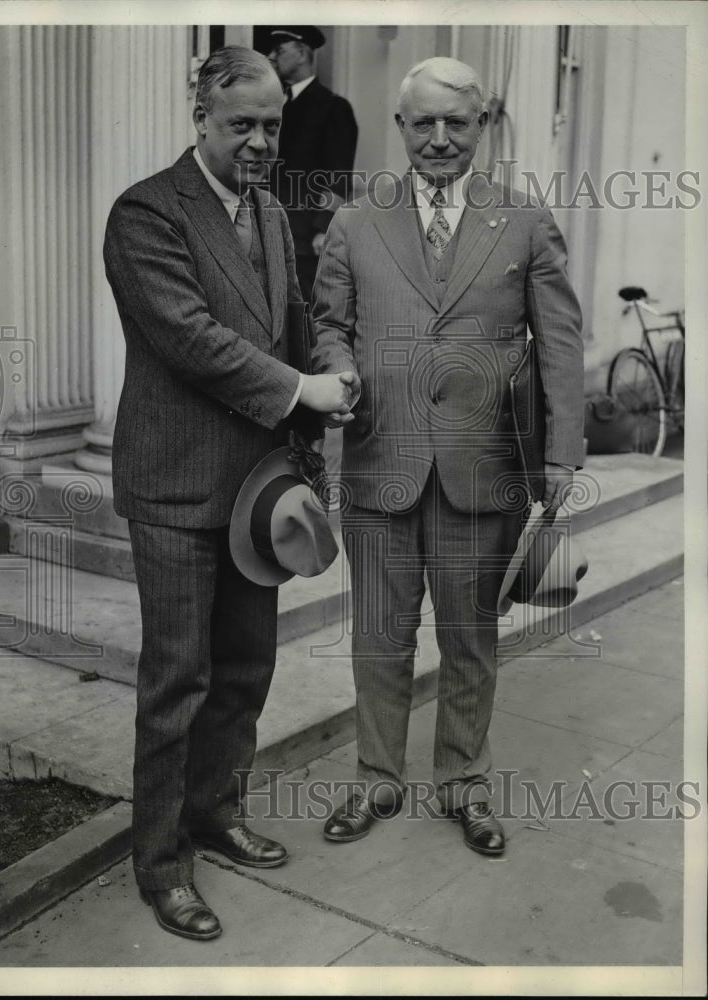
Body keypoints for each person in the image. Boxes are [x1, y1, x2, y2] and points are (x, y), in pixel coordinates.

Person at [103, 46, 357, 941]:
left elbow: (290, 328)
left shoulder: (272, 210)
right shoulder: (144, 212)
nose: (258, 141)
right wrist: (300, 392)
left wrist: (332, 366)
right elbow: (191, 338)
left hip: (258, 490)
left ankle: (215, 810)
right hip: (175, 487)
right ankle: (162, 863)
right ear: (200, 119)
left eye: (270, 126)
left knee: (246, 671)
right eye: (240, 124)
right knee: (179, 681)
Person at [312, 57, 584, 857]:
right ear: (399, 127)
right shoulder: (355, 221)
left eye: (454, 124)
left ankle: (463, 785)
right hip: (378, 462)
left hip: (484, 469)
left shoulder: (524, 222)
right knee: (379, 634)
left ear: (482, 126)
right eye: (422, 123)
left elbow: (561, 343)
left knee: (470, 638)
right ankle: (374, 779)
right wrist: (337, 366)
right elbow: (327, 322)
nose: (437, 139)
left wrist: (561, 456)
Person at [254, 25, 358, 302]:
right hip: (266, 232)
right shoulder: (275, 107)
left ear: (301, 53)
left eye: (279, 50)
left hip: (304, 239)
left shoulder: (333, 107)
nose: (271, 56)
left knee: (302, 319)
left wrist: (323, 228)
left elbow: (338, 176)